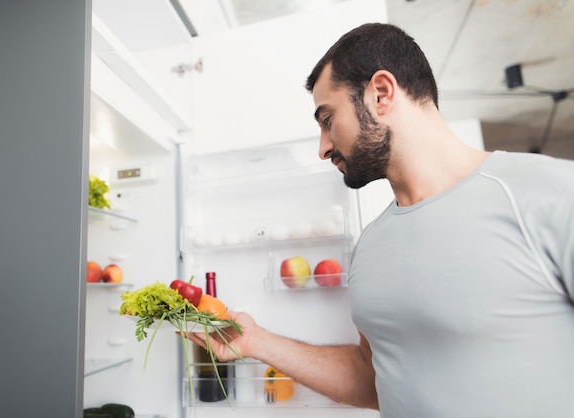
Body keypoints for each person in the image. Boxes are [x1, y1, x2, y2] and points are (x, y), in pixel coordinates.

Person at [187, 22, 574, 417]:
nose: (323, 148)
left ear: (381, 94)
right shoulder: (371, 245)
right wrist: (255, 342)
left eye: (327, 119)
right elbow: (371, 380)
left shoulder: (547, 193)